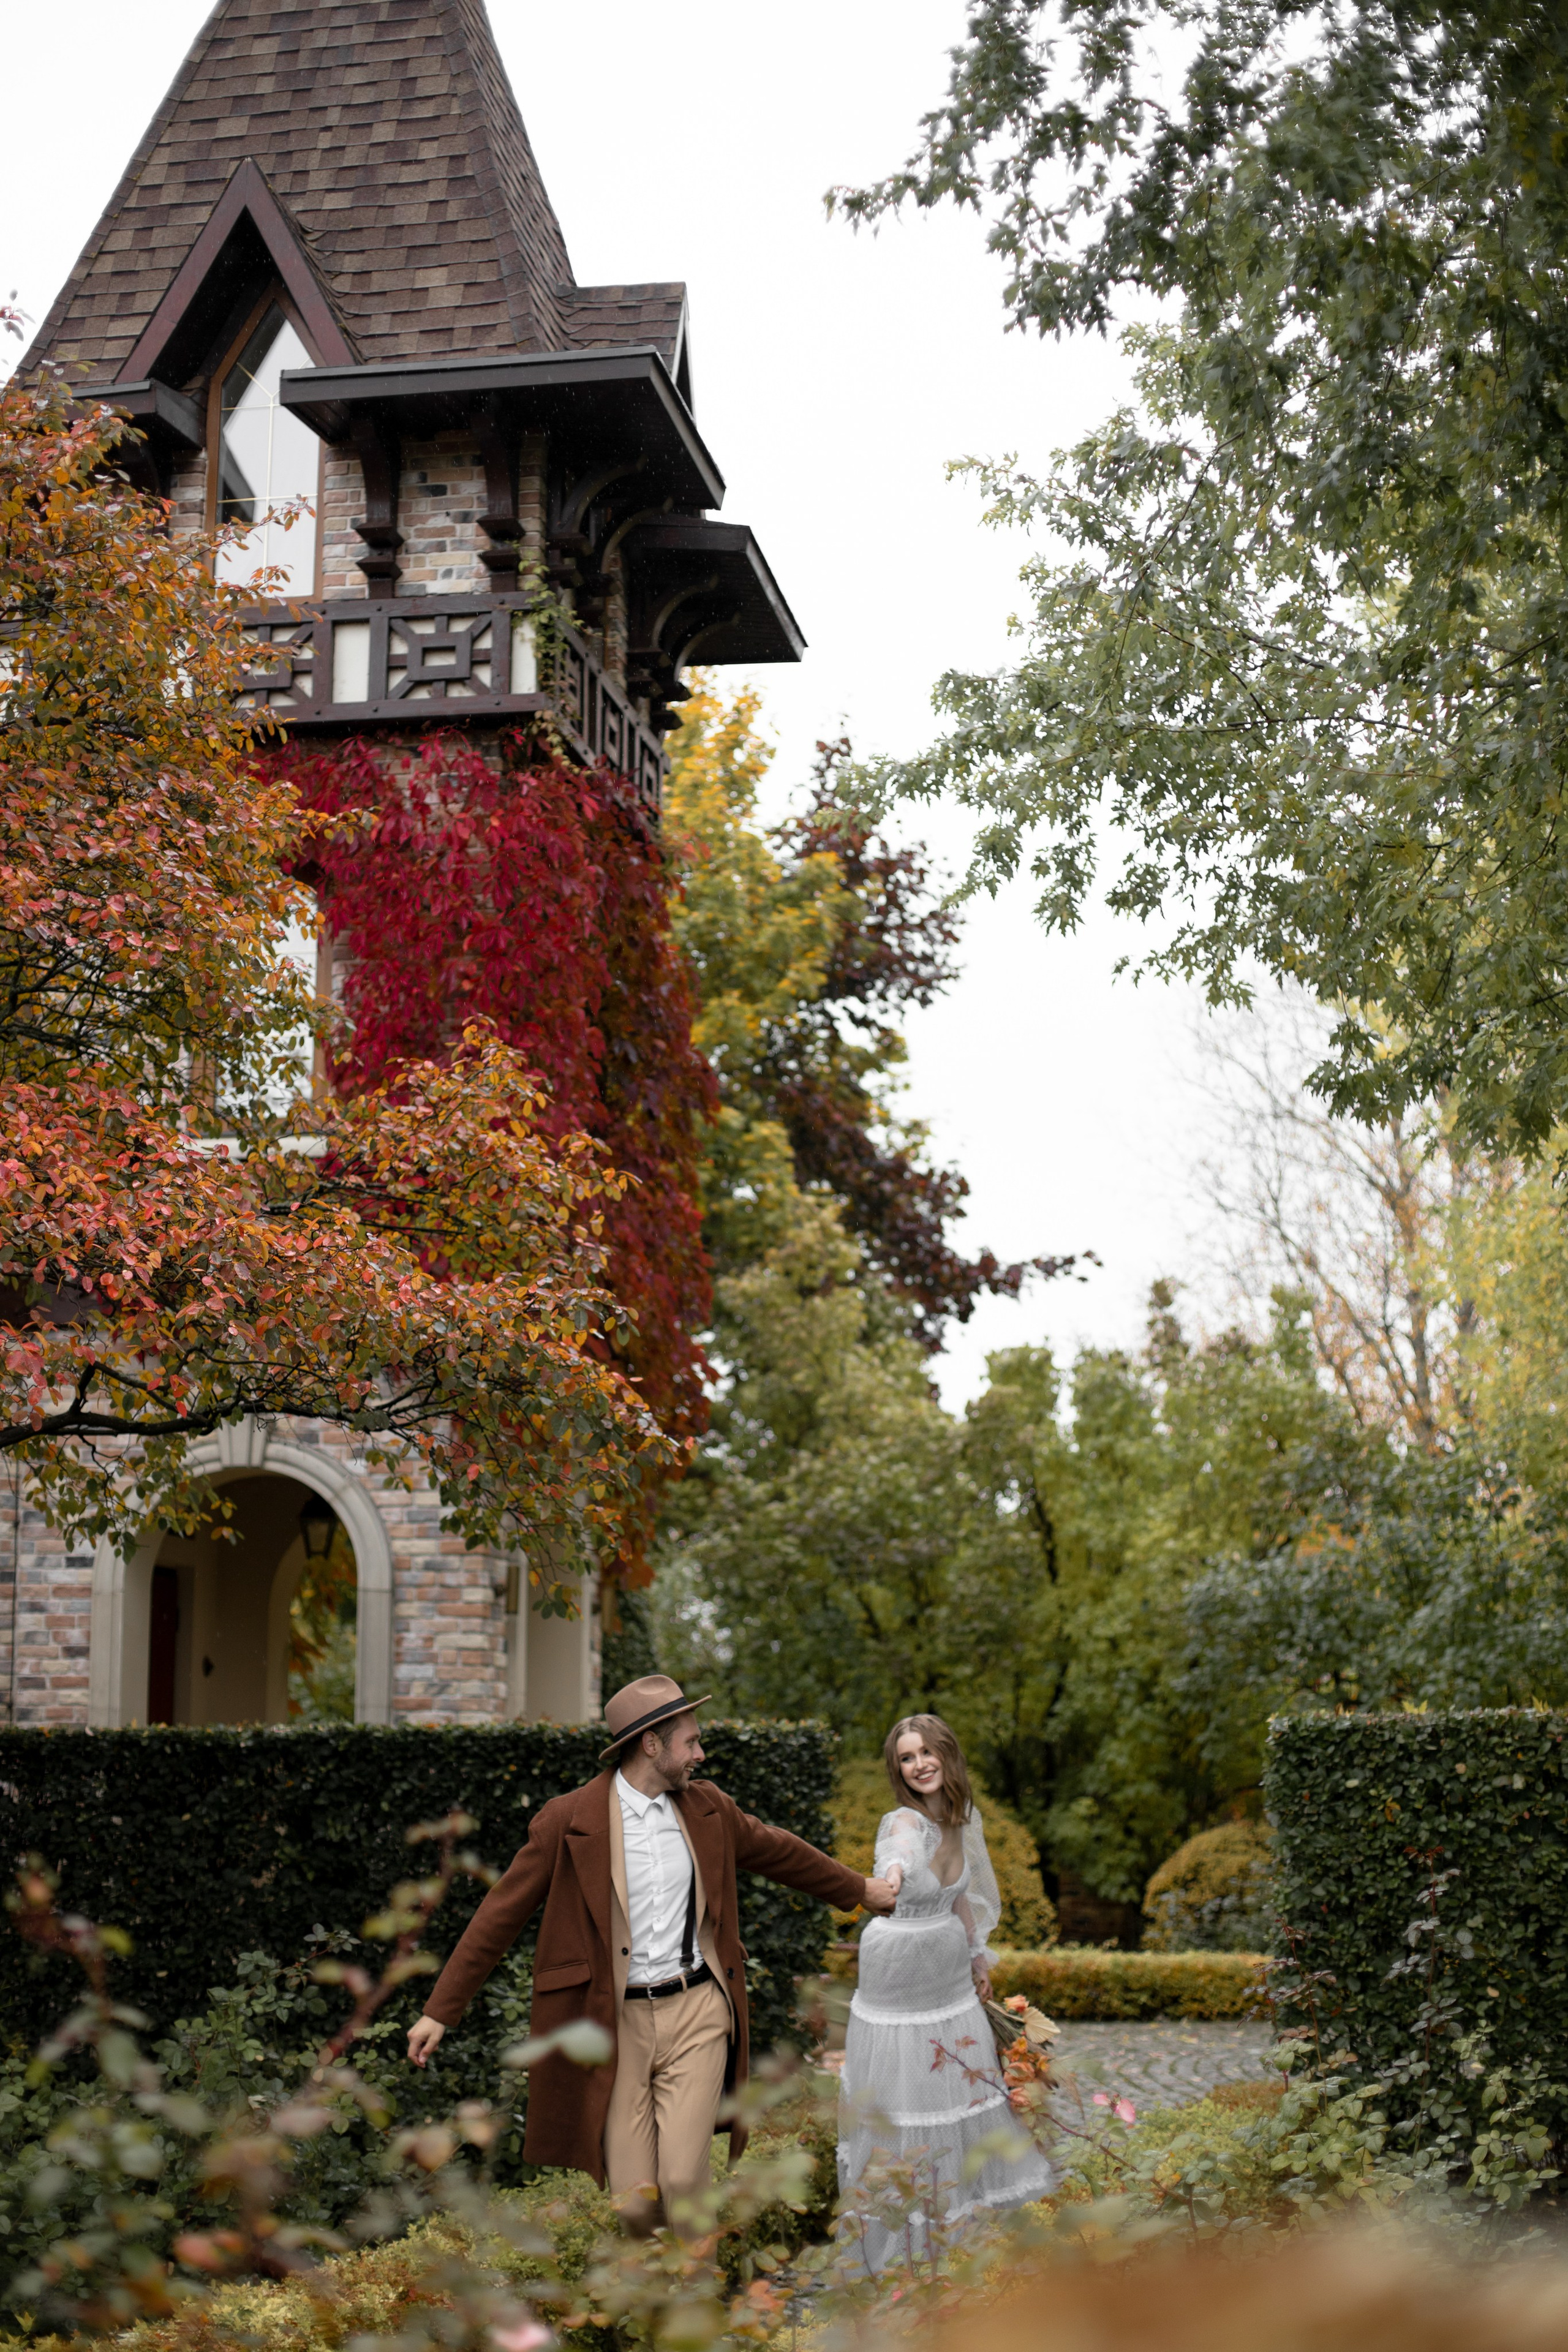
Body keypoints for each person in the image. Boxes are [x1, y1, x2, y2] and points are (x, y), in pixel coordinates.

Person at [406, 1675, 896, 2227]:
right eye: (691, 1742)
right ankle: (655, 2307)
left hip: (698, 2011)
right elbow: (500, 1914)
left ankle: (696, 2300)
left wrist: (862, 1891)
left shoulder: (707, 1809)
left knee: (685, 2186)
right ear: (651, 1744)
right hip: (615, 2023)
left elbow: (781, 1851)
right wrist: (438, 2012)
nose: (700, 1754)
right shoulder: (568, 1821)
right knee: (634, 2203)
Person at [837, 1713, 1055, 2272]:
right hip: (900, 1970)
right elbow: (897, 1859)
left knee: (960, 2083)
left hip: (949, 1968)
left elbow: (960, 1896)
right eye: (906, 1758)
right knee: (910, 2093)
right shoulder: (904, 1824)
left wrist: (977, 1953)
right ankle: (906, 2237)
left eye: (926, 1752)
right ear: (899, 1770)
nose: (919, 1765)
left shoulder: (960, 1818)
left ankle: (965, 2224)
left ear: (947, 1755)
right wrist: (891, 1874)